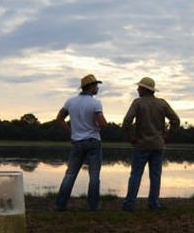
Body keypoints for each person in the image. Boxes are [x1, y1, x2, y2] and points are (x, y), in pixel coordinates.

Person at [121, 77, 180, 211]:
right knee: (155, 175)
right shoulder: (162, 103)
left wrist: (131, 139)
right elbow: (175, 120)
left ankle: (130, 203)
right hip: (158, 145)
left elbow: (126, 122)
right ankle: (154, 204)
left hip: (141, 145)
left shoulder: (138, 103)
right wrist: (166, 136)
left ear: (144, 89)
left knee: (136, 174)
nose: (137, 89)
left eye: (139, 87)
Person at [54, 74, 107, 211]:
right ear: (90, 87)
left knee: (70, 174)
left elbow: (59, 119)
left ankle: (60, 204)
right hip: (93, 141)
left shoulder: (70, 102)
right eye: (96, 86)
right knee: (94, 175)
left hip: (77, 142)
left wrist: (71, 132)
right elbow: (101, 123)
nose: (97, 88)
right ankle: (93, 206)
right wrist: (102, 124)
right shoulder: (95, 103)